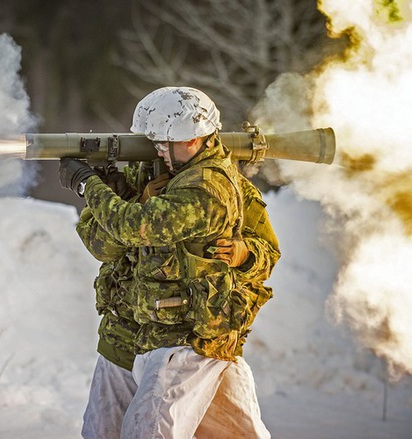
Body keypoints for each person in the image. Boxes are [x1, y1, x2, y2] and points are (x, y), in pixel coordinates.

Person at [58, 86, 280, 438]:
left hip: (188, 333)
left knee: (150, 430)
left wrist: (91, 187)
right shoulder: (150, 172)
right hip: (132, 328)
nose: (156, 149)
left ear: (191, 140)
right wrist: (121, 193)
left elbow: (137, 226)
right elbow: (101, 244)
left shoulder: (212, 187)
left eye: (162, 141)